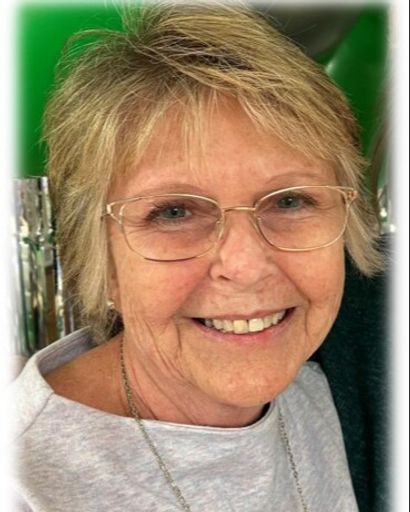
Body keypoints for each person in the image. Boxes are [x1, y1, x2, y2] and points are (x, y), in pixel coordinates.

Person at [8, 2, 386, 511]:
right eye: (175, 212)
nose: (246, 266)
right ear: (101, 259)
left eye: (290, 201)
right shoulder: (25, 483)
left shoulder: (333, 388)